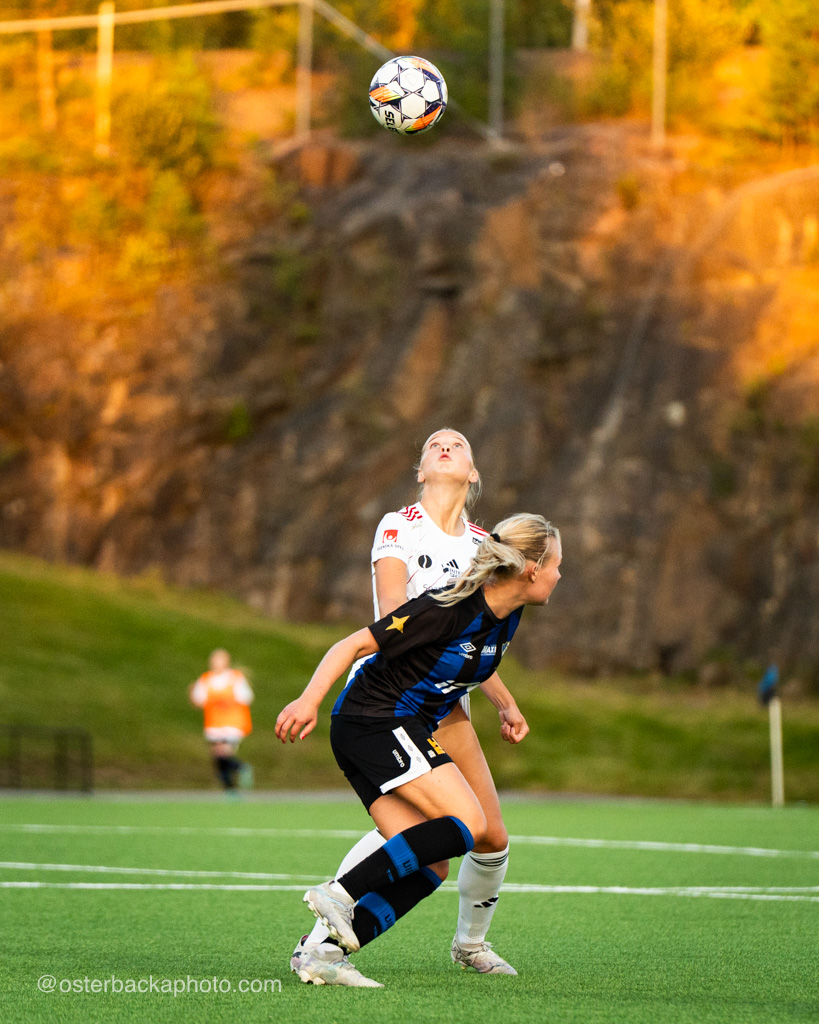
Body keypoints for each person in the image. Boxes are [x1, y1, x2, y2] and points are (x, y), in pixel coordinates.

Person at [276, 514, 561, 986]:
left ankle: (322, 955)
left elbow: (472, 656)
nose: (559, 575)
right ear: (532, 569)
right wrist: (308, 700)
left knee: (431, 866)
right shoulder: (449, 607)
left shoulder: (507, 614)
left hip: (378, 728)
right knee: (470, 823)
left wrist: (507, 706)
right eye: (556, 565)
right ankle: (340, 894)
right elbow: (352, 644)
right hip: (375, 720)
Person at [189, 649, 254, 792]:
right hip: (214, 724)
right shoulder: (206, 679)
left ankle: (241, 768)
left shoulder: (235, 678)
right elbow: (198, 700)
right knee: (218, 759)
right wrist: (192, 693)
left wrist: (225, 701)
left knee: (223, 752)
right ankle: (230, 789)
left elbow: (247, 697)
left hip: (233, 723)